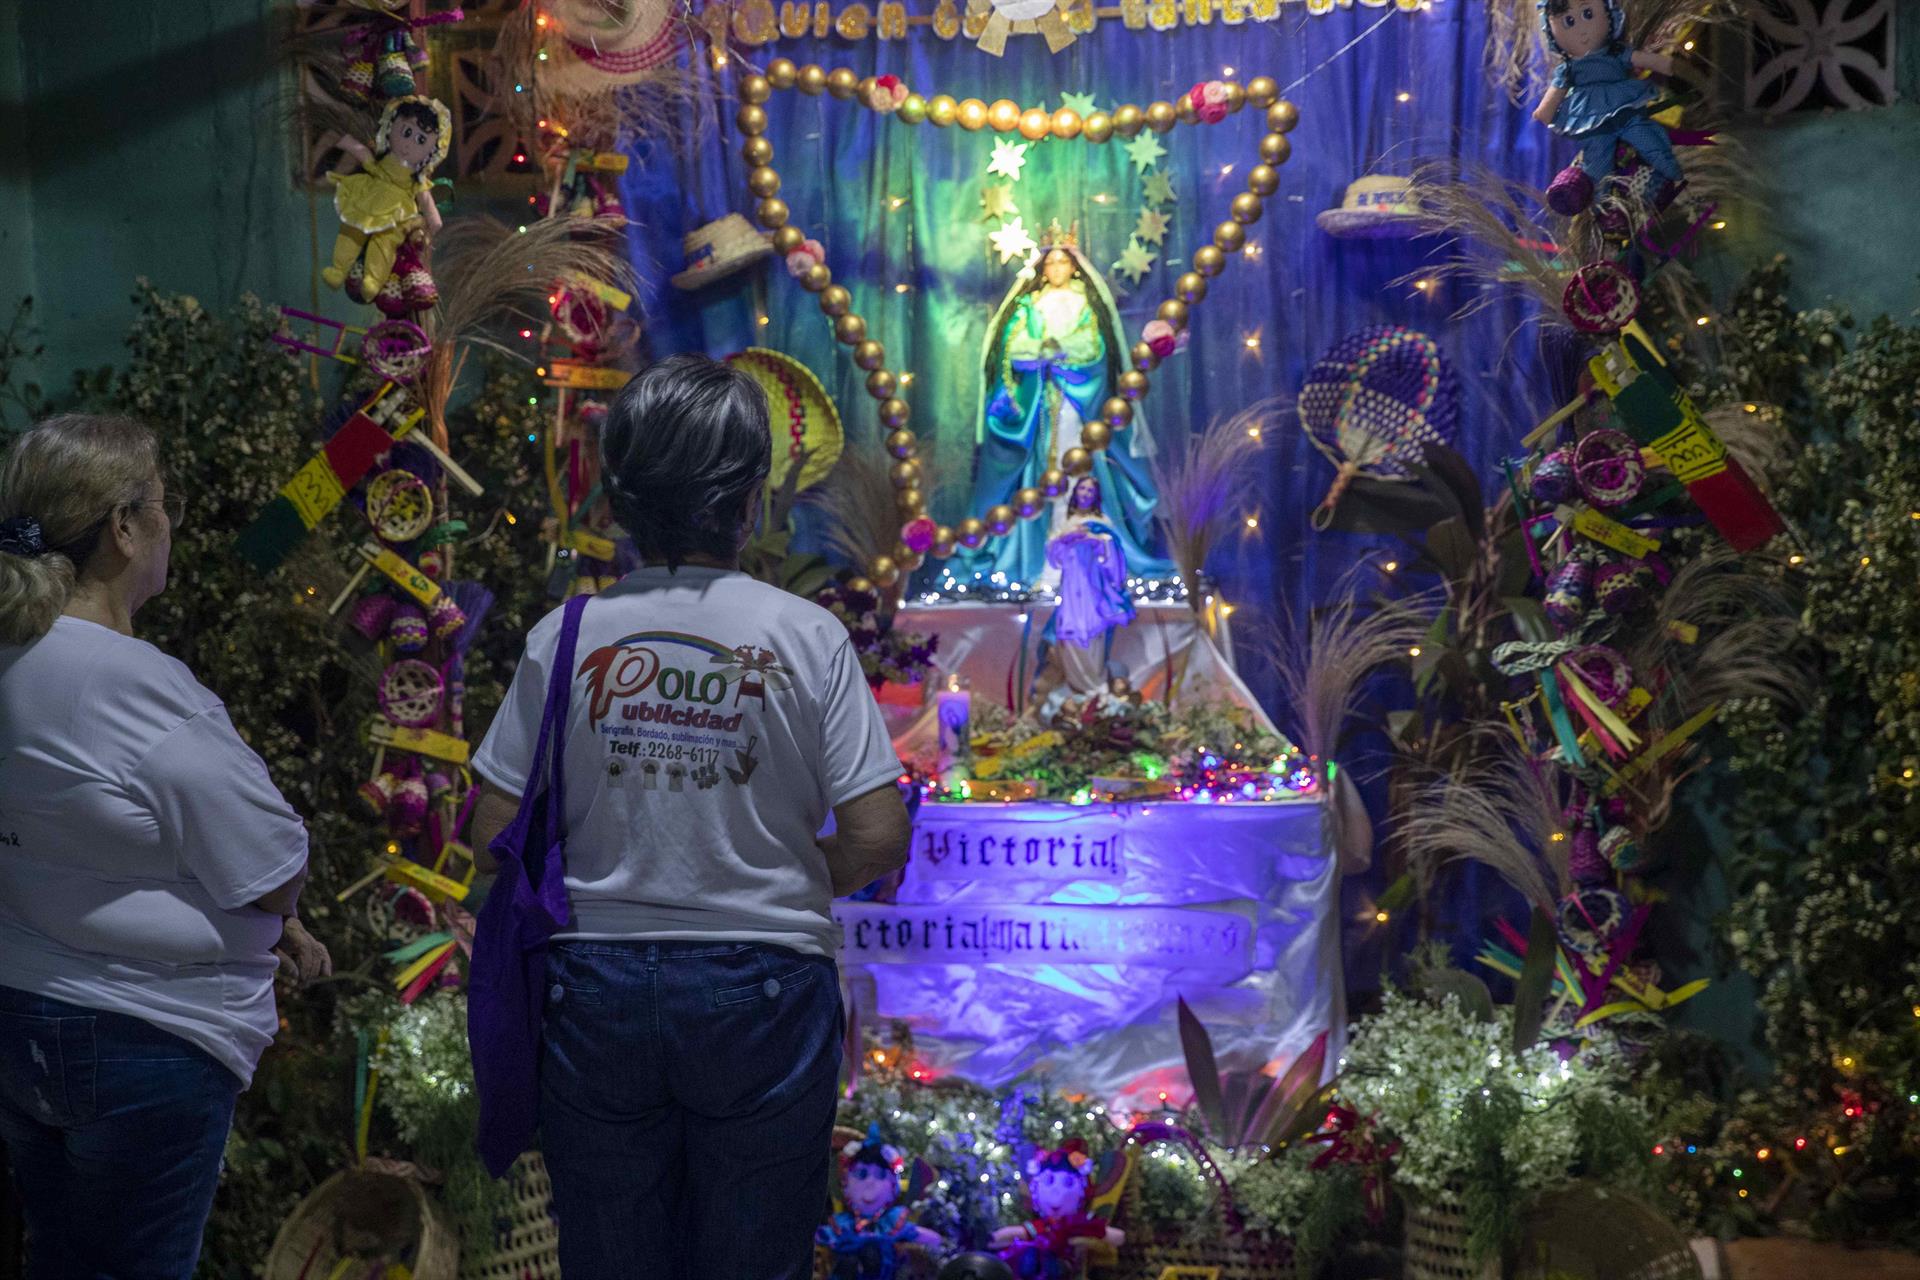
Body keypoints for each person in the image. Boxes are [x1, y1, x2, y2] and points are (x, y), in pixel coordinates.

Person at [470, 354, 913, 1280]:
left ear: (618, 498)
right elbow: (877, 837)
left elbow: (489, 835)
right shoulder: (806, 634)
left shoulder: (568, 636)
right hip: (763, 994)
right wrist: (786, 866)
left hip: (594, 995)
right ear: (750, 497)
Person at [0, 414, 328, 1279]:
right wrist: (286, 916)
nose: (169, 524)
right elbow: (270, 868)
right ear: (123, 527)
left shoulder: (15, 653)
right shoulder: (128, 682)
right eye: (163, 504)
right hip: (140, 1036)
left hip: (25, 1011)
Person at [967, 232, 1170, 588]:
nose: (1057, 267)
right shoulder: (1029, 306)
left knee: (1081, 466)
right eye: (1051, 262)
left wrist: (1055, 351)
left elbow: (1093, 348)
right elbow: (1013, 349)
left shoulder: (1084, 306)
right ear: (1042, 269)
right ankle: (1039, 555)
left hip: (1077, 403)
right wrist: (1041, 352)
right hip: (1040, 407)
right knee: (1045, 467)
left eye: (1064, 261)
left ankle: (1086, 547)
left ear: (1074, 267)